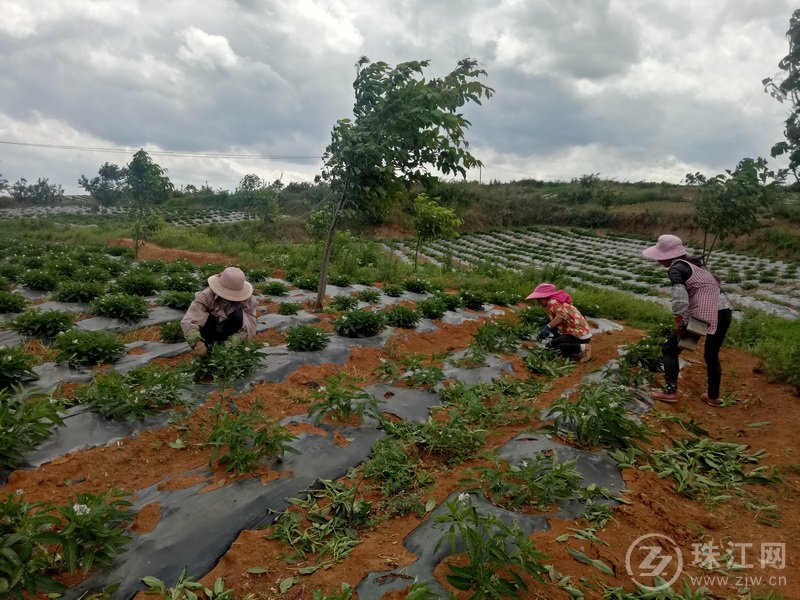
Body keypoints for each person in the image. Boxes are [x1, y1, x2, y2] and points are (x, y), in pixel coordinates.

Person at [642, 234, 732, 407]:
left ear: (666, 256)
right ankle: (713, 397)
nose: (659, 261)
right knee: (711, 353)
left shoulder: (676, 268)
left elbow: (680, 297)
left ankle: (670, 392)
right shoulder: (697, 265)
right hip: (724, 312)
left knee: (670, 349)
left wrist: (681, 322)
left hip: (702, 316)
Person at [181, 266, 258, 357]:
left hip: (230, 331)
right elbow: (190, 320)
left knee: (239, 316)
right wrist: (197, 344)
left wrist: (233, 342)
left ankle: (229, 351)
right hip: (209, 331)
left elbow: (250, 325)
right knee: (206, 320)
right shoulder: (206, 296)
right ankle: (207, 349)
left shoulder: (248, 301)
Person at [526, 283, 592, 362]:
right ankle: (573, 352)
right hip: (578, 333)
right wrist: (546, 327)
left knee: (553, 346)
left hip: (578, 335)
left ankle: (584, 348)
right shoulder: (554, 302)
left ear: (545, 296)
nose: (538, 301)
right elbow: (552, 319)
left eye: (539, 299)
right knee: (554, 342)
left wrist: (548, 327)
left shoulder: (553, 302)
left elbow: (561, 316)